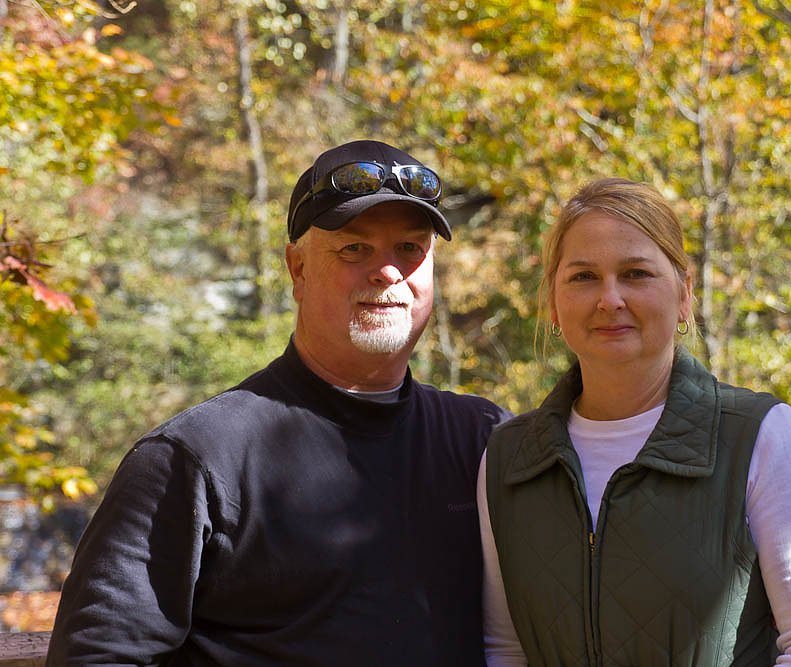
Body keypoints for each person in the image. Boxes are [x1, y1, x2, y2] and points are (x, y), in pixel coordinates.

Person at [48, 139, 508, 666]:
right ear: (298, 270)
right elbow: (99, 656)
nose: (387, 271)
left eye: (410, 248)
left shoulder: (485, 441)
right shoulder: (195, 458)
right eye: (354, 249)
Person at [478, 177, 791, 666]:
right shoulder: (509, 458)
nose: (610, 299)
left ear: (684, 294)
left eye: (637, 273)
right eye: (583, 277)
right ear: (554, 303)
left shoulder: (758, 435)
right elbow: (507, 650)